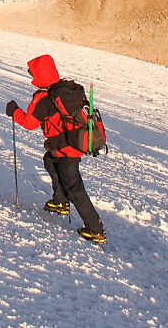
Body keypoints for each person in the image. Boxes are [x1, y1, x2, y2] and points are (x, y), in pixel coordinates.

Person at [6, 54, 106, 244]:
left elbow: (29, 123)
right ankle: (60, 201)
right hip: (69, 146)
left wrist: (14, 111)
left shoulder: (44, 97)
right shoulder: (66, 90)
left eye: (33, 73)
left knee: (75, 188)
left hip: (66, 150)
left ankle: (96, 230)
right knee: (50, 161)